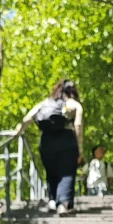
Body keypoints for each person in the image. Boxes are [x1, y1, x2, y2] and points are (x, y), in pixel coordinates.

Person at [15, 79, 83, 215]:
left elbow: (27, 118)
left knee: (52, 172)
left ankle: (52, 201)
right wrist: (80, 148)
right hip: (66, 141)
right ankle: (63, 205)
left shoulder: (45, 103)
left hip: (46, 141)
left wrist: (17, 132)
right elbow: (78, 125)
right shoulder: (73, 104)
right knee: (66, 173)